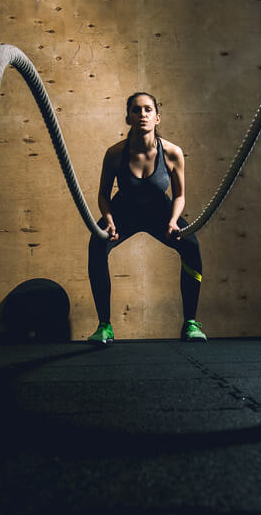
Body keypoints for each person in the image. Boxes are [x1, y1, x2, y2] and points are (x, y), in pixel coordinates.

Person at [87, 92, 207, 344]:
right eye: (136, 110)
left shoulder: (173, 152)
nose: (142, 114)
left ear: (157, 117)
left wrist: (174, 221)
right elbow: (103, 195)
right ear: (128, 118)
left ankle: (191, 323)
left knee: (191, 247)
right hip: (123, 213)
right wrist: (108, 219)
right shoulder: (114, 154)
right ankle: (104, 326)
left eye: (148, 110)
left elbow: (179, 196)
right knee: (96, 245)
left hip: (160, 213)